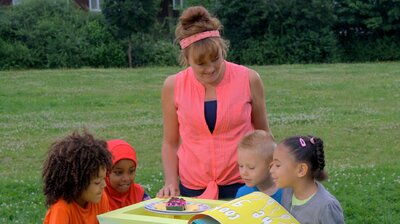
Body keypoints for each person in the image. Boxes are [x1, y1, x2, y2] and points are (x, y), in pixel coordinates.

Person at [157, 6, 273, 200]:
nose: (210, 69)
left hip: (243, 184)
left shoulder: (249, 79)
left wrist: (271, 174)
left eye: (216, 58)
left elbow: (263, 134)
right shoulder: (173, 86)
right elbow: (170, 142)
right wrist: (171, 181)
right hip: (192, 188)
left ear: (223, 49)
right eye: (201, 63)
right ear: (186, 59)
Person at [270, 135, 345, 223]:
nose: (271, 170)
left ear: (301, 170)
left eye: (278, 165)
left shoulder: (326, 207)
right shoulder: (287, 191)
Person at [42, 130, 112, 224]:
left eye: (104, 178)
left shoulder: (100, 198)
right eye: (97, 182)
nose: (104, 185)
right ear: (76, 184)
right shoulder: (61, 209)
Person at [235, 130, 282, 203]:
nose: (243, 172)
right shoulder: (243, 194)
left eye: (251, 167)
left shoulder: (287, 193)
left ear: (271, 166)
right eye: (241, 166)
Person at [105, 139, 150, 211]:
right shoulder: (97, 197)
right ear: (105, 172)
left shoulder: (139, 194)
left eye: (131, 171)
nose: (126, 178)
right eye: (119, 172)